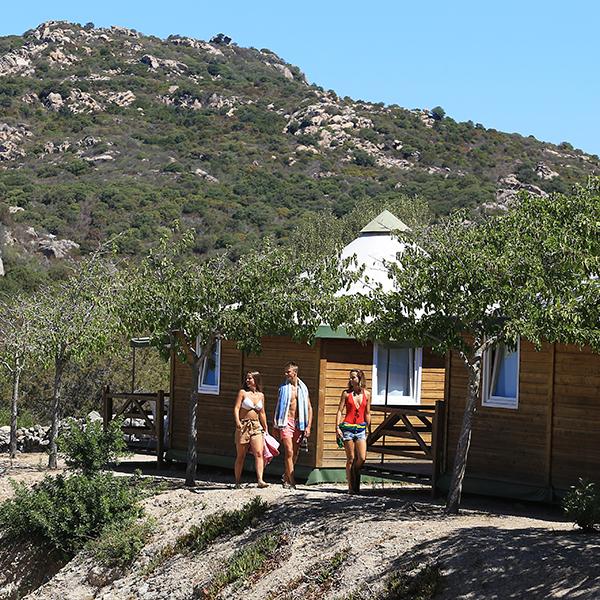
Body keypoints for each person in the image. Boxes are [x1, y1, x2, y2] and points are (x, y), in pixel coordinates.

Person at [273, 361, 313, 489]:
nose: (286, 374)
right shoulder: (283, 389)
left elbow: (309, 408)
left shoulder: (303, 389)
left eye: (288, 372)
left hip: (299, 423)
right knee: (289, 451)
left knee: (295, 453)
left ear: (294, 373)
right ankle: (292, 481)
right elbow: (278, 407)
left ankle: (286, 476)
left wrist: (308, 426)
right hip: (286, 422)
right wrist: (275, 425)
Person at [336, 369, 371, 493]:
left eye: (353, 378)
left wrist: (368, 426)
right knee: (351, 458)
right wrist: (337, 427)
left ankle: (354, 472)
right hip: (348, 427)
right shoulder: (346, 393)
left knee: (361, 458)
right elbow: (340, 410)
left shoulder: (367, 394)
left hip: (361, 428)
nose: (350, 380)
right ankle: (351, 486)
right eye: (350, 378)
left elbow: (367, 412)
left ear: (359, 379)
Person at [233, 370, 269, 488]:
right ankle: (237, 481)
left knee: (259, 453)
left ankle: (260, 480)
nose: (248, 380)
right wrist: (238, 421)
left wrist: (265, 427)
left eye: (250, 378)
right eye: (247, 378)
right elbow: (237, 408)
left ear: (256, 380)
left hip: (256, 425)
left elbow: (262, 413)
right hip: (243, 425)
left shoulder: (261, 395)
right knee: (241, 455)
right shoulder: (243, 393)